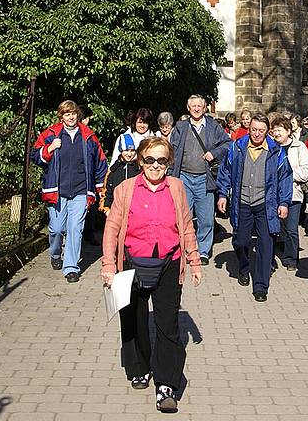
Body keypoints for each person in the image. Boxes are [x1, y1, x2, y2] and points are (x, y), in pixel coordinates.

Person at [101, 137, 202, 413]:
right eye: (149, 160)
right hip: (132, 261)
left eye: (161, 160)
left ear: (168, 163)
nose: (155, 165)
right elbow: (112, 228)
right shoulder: (125, 189)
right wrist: (109, 265)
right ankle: (139, 368)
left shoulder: (178, 188)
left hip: (169, 262)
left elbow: (186, 225)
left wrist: (194, 261)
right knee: (133, 319)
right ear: (140, 161)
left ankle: (167, 385)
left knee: (167, 324)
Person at [216, 112, 293, 302]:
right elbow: (225, 171)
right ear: (249, 128)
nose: (257, 134)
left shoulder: (276, 151)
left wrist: (283, 202)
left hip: (265, 204)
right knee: (241, 241)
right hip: (242, 202)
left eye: (261, 131)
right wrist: (222, 194)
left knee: (266, 245)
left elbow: (285, 178)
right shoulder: (238, 147)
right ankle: (243, 267)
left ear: (267, 131)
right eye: (253, 130)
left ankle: (260, 285)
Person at [32, 100, 107, 282]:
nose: (71, 117)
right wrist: (49, 148)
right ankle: (56, 254)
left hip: (81, 191)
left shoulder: (88, 136)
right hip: (57, 191)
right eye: (67, 114)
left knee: (75, 228)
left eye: (73, 113)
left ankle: (71, 267)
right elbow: (34, 156)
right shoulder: (51, 134)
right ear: (61, 116)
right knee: (57, 229)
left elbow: (100, 163)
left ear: (77, 115)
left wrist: (100, 189)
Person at [171, 94, 231, 265]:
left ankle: (203, 251)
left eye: (199, 106)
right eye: (193, 106)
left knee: (205, 218)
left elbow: (228, 143)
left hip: (205, 179)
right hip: (183, 177)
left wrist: (214, 153)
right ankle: (186, 250)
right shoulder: (181, 127)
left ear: (205, 108)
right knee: (184, 217)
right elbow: (172, 150)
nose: (196, 109)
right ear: (188, 108)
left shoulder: (213, 126)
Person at [270, 116, 308, 271]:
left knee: (291, 229)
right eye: (274, 130)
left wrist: (286, 174)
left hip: (294, 193)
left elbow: (306, 170)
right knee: (272, 227)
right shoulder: (271, 147)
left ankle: (291, 259)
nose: (276, 133)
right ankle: (270, 258)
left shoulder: (299, 146)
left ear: (288, 131)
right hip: (273, 195)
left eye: (279, 129)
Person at [100, 133, 140, 214]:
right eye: (126, 150)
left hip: (136, 212)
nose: (129, 154)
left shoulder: (139, 168)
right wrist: (107, 209)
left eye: (132, 151)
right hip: (116, 212)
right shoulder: (114, 170)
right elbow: (107, 192)